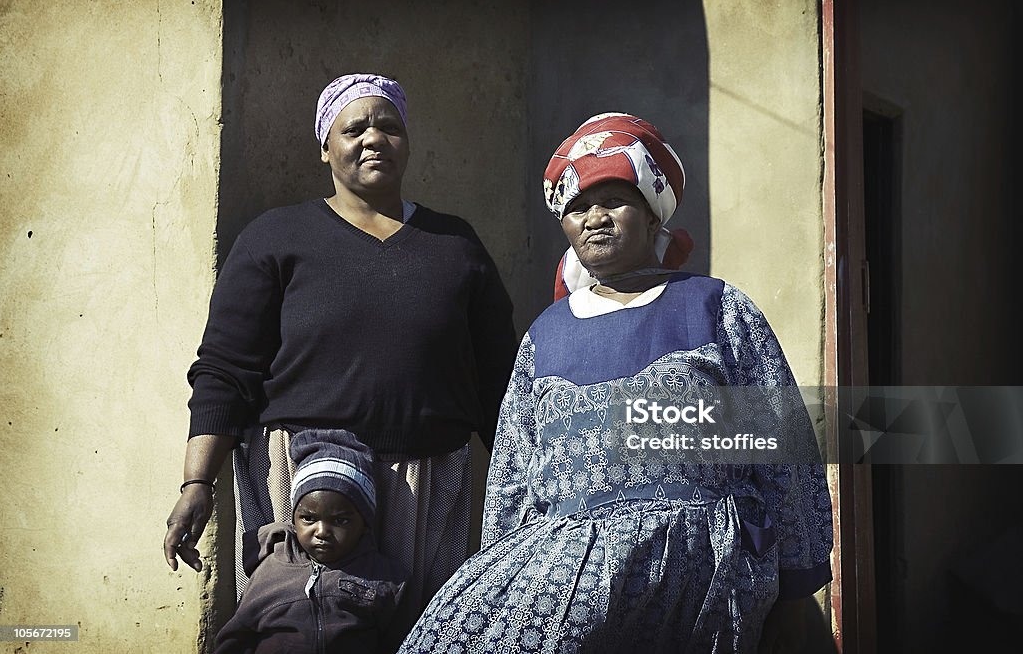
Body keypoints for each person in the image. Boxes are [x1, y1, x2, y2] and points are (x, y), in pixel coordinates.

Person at [399, 113, 833, 653]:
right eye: (577, 206)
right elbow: (512, 480)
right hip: (568, 585)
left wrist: (796, 584)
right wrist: (505, 572)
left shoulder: (715, 311)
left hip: (700, 577)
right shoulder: (545, 337)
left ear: (653, 217)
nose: (594, 218)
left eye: (613, 201)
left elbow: (783, 455)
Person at [162, 73, 517, 646]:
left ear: (407, 143)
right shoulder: (277, 237)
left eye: (389, 127)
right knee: (304, 628)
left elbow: (502, 380)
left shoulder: (456, 244)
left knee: (423, 630)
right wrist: (195, 482)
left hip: (424, 482)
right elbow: (225, 368)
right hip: (300, 480)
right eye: (354, 128)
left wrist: (527, 488)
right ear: (325, 145)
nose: (374, 138)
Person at [215, 429, 404, 653]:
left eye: (341, 520)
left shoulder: (386, 579)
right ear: (294, 519)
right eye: (309, 518)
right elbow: (237, 635)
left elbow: (400, 642)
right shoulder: (271, 572)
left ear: (365, 524)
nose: (322, 531)